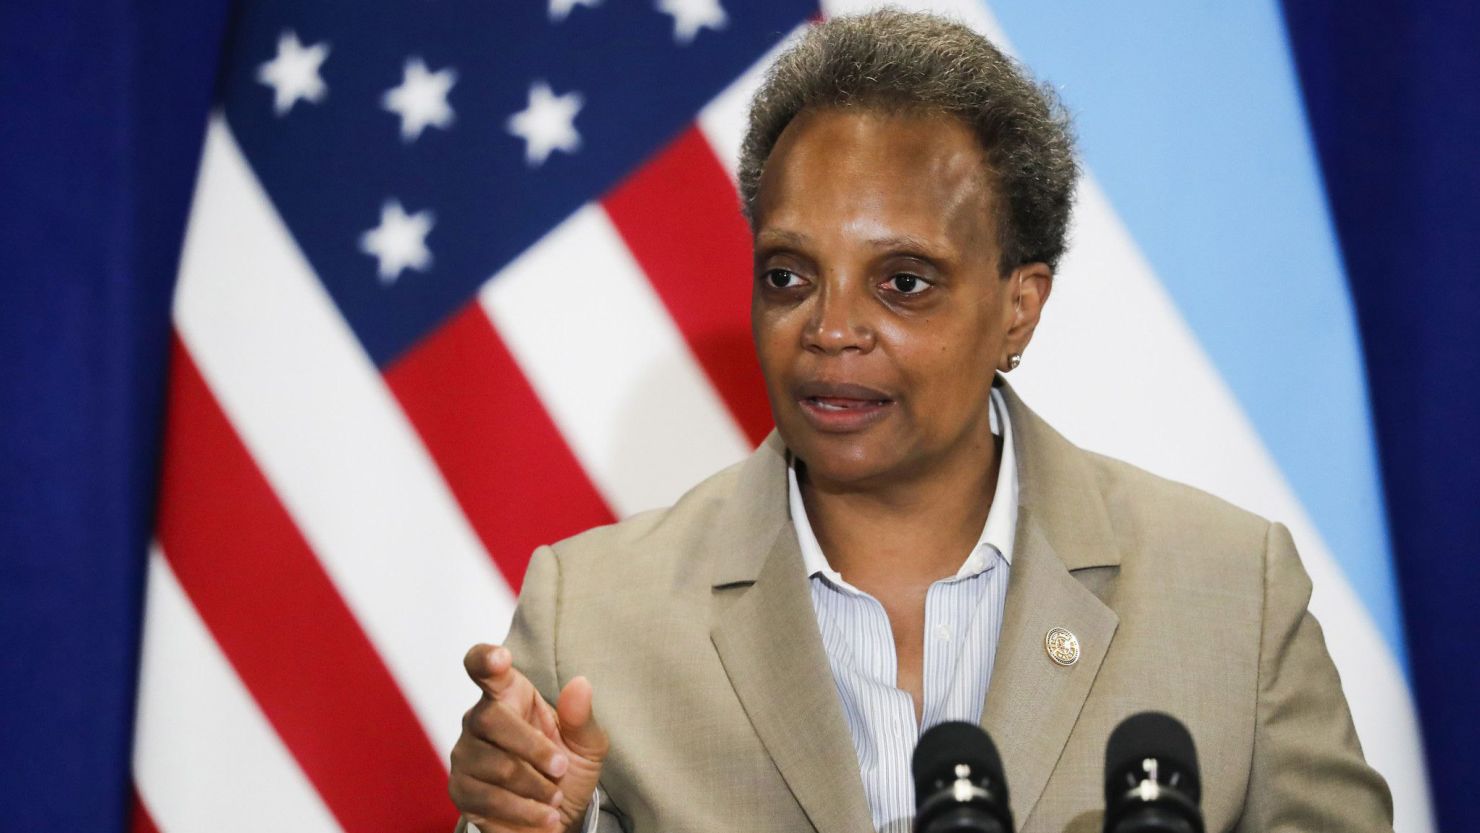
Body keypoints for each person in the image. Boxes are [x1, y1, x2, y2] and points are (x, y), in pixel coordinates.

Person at [447, 10, 1393, 833]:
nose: (829, 329)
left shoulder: (1231, 593)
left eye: (902, 282)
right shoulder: (598, 615)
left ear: (1018, 307)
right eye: (788, 275)